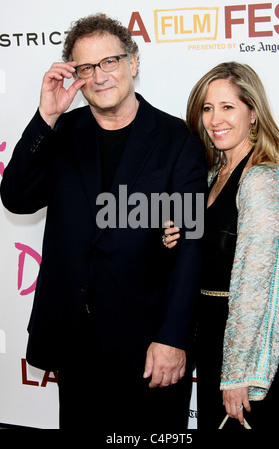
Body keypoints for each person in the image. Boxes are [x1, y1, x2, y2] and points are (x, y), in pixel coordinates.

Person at [0, 14, 208, 430]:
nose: (99, 76)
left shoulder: (178, 140)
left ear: (133, 62)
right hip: (75, 340)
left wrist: (171, 337)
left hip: (149, 344)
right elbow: (17, 198)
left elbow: (190, 246)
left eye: (109, 61)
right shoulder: (62, 131)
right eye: (86, 68)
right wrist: (45, 116)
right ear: (74, 76)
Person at [163, 62, 279, 430]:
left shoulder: (262, 178)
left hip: (250, 357)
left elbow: (261, 283)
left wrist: (241, 373)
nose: (214, 119)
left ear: (252, 113)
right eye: (207, 108)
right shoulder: (212, 175)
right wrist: (172, 238)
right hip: (212, 339)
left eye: (227, 107)